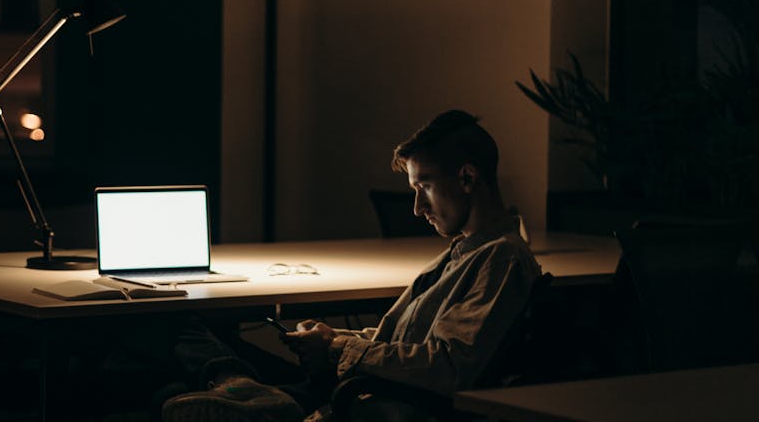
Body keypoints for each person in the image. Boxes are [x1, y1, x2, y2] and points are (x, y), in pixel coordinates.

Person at [160, 109, 542, 421]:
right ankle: (240, 383)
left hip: (362, 394)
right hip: (356, 382)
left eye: (423, 186)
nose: (417, 208)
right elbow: (406, 346)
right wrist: (337, 341)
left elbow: (446, 365)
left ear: (467, 177)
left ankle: (242, 385)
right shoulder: (464, 253)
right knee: (188, 332)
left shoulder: (501, 258)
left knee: (178, 372)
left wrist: (338, 347)